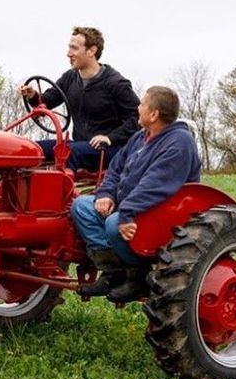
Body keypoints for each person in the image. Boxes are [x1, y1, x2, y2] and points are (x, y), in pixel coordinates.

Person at [70, 86, 202, 303]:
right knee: (82, 207)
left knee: (114, 224)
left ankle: (138, 275)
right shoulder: (141, 137)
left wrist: (127, 213)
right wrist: (106, 194)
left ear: (154, 114)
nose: (137, 108)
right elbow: (115, 168)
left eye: (142, 104)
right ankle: (114, 272)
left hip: (161, 210)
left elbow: (155, 185)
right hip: (132, 205)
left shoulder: (179, 142)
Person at [20, 27, 140, 171]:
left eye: (74, 48)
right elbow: (47, 101)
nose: (68, 54)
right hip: (81, 145)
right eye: (69, 48)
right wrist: (33, 96)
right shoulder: (70, 78)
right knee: (32, 150)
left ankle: (54, 191)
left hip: (111, 149)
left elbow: (137, 118)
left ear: (91, 51)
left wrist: (110, 138)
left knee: (69, 152)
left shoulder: (115, 83)